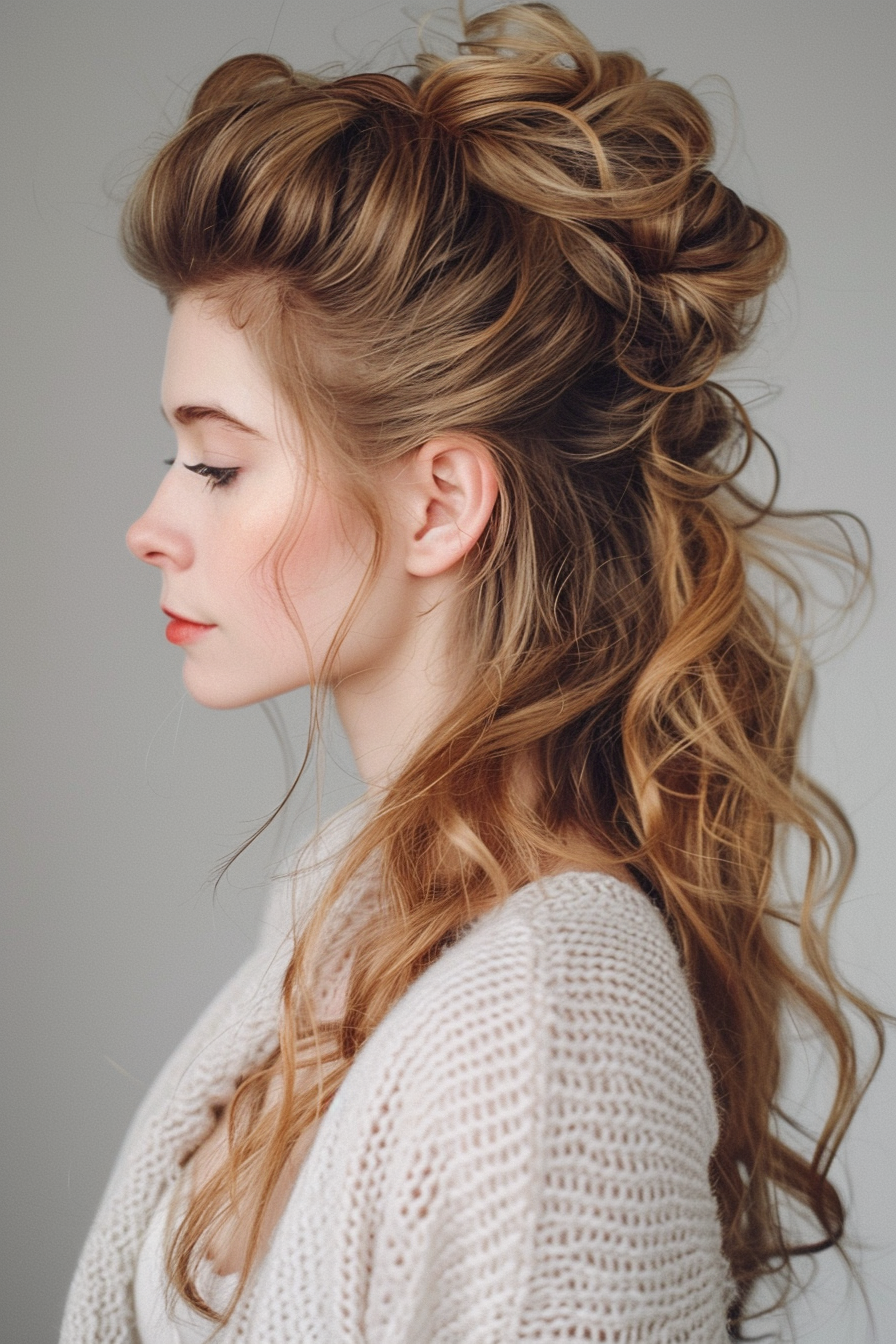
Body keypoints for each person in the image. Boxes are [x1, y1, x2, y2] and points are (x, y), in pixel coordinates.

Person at [60, 4, 884, 1340]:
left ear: (441, 503)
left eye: (217, 461)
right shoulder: (341, 897)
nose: (154, 523)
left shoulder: (554, 1035)